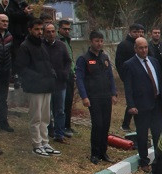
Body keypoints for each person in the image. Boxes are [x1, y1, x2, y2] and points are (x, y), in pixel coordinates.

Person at [17, 18, 61, 157]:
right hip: (34, 88)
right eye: (36, 29)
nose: (39, 32)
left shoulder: (42, 45)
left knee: (46, 117)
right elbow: (22, 68)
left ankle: (44, 142)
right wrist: (39, 77)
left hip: (46, 86)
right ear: (30, 30)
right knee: (36, 117)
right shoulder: (25, 46)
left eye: (41, 29)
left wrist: (52, 74)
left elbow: (47, 63)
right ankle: (36, 144)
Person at [123, 37, 162, 172]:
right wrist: (131, 105)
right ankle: (144, 161)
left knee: (158, 133)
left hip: (156, 103)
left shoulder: (154, 61)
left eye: (146, 47)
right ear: (135, 49)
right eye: (141, 48)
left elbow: (160, 82)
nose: (144, 50)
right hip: (141, 105)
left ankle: (159, 160)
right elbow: (128, 87)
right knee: (142, 135)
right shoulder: (129, 64)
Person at [75, 31, 118, 164]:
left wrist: (113, 93)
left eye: (101, 41)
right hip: (93, 97)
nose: (99, 44)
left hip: (106, 96)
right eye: (96, 41)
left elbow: (110, 76)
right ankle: (95, 153)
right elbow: (80, 79)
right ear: (90, 42)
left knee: (105, 125)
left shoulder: (104, 57)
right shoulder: (84, 59)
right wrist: (84, 96)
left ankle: (103, 152)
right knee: (97, 125)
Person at [43, 23, 71, 144]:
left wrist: (65, 73)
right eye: (48, 31)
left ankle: (59, 134)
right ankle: (49, 130)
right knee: (46, 110)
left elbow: (68, 61)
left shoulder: (61, 45)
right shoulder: (41, 46)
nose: (51, 34)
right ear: (44, 33)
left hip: (60, 83)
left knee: (60, 110)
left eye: (53, 31)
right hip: (46, 84)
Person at [115, 23, 144, 132]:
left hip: (142, 78)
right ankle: (125, 124)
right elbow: (119, 63)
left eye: (140, 32)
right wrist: (124, 77)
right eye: (135, 32)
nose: (138, 34)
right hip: (129, 77)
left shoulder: (143, 45)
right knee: (132, 101)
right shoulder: (124, 45)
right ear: (130, 32)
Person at [0, 14, 13, 132]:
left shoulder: (9, 36)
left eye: (7, 21)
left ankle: (3, 122)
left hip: (5, 71)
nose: (5, 23)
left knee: (3, 98)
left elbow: (11, 52)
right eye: (2, 21)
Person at [58, 19, 75, 138]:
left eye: (69, 29)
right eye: (65, 29)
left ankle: (68, 125)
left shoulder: (67, 41)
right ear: (59, 28)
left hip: (70, 74)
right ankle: (62, 127)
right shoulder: (58, 41)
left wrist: (74, 71)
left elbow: (70, 59)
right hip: (62, 75)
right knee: (61, 104)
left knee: (69, 101)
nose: (67, 31)